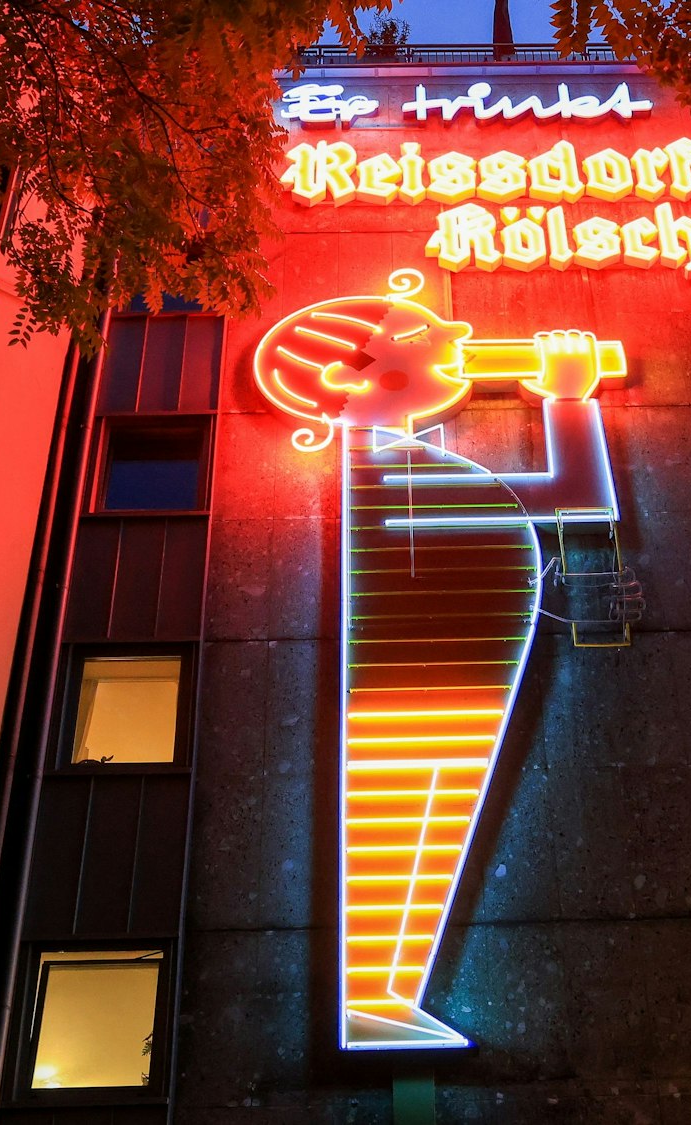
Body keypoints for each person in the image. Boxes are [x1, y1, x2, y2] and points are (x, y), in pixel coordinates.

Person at [252, 268, 624, 1050]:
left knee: (427, 827)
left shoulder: (403, 465)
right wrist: (565, 395)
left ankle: (386, 994)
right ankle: (374, 997)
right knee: (407, 825)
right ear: (361, 373)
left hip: (459, 671)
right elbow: (577, 493)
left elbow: (568, 504)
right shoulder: (390, 469)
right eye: (425, 342)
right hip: (413, 683)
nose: (453, 348)